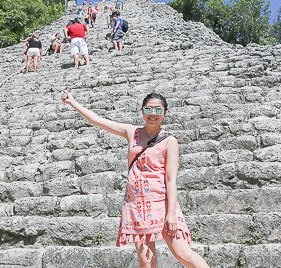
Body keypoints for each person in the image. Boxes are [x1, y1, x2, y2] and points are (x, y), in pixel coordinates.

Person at [60, 91, 210, 268]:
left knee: (183, 253)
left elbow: (171, 180)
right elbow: (98, 121)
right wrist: (73, 102)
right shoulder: (132, 132)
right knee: (146, 262)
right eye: (149, 109)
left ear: (165, 113)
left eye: (158, 110)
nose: (153, 114)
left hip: (161, 202)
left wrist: (171, 214)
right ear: (142, 111)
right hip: (137, 206)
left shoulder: (170, 141)